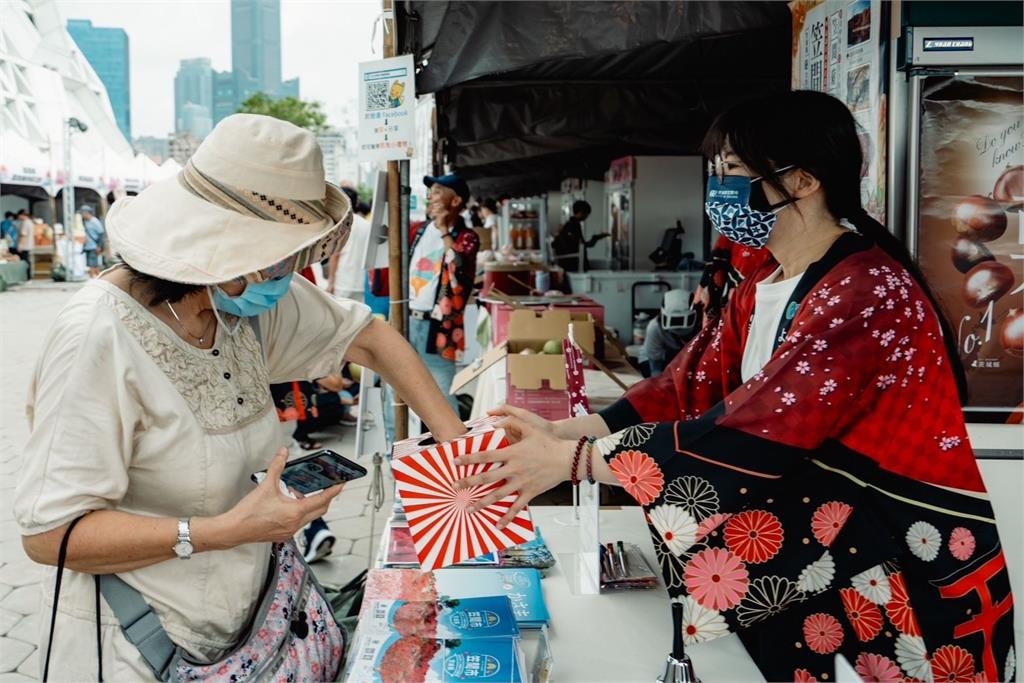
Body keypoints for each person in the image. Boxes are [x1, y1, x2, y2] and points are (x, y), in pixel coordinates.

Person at [454, 91, 1016, 682]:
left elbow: (756, 429)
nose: (718, 187)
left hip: (897, 559)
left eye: (734, 171)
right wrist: (569, 431)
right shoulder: (763, 283)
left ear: (801, 181)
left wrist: (577, 460)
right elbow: (688, 386)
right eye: (716, 171)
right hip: (826, 557)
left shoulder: (867, 291)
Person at [14, 114, 466, 680]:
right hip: (137, 647)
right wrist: (229, 530)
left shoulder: (240, 304)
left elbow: (368, 337)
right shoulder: (97, 338)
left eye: (295, 259)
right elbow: (51, 536)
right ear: (216, 246)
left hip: (248, 630)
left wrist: (458, 447)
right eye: (278, 261)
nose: (290, 277)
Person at [407, 173, 480, 413]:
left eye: (438, 191)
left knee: (440, 396)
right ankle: (394, 449)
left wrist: (444, 230)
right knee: (397, 390)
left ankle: (452, 449)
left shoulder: (466, 237)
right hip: (408, 319)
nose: (431, 197)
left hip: (439, 328)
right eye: (431, 192)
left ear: (456, 201)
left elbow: (458, 267)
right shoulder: (419, 230)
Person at [326, 186, 371, 302]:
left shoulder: (340, 225)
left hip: (343, 282)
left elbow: (335, 255)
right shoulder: (367, 225)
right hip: (362, 283)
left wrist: (331, 282)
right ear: (357, 203)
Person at [643, 288, 699, 377]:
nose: (679, 327)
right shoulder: (655, 328)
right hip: (661, 359)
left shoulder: (704, 324)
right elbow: (655, 367)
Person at [551, 200, 609, 274]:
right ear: (581, 212)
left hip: (574, 263)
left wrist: (596, 238)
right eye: (587, 214)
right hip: (573, 265)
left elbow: (582, 244)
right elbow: (580, 245)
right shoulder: (572, 226)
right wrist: (595, 238)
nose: (587, 216)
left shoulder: (572, 224)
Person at [80, 204, 106, 278]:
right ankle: (97, 278)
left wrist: (99, 246)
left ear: (87, 213)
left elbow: (101, 234)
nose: (81, 215)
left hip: (94, 246)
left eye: (82, 213)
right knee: (91, 264)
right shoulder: (85, 221)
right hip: (88, 246)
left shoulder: (94, 221)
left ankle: (94, 278)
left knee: (93, 263)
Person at [15, 209, 34, 278]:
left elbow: (23, 235)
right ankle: (28, 276)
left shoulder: (25, 223)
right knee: (27, 261)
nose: (19, 217)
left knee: (24, 262)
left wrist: (20, 245)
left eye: (19, 216)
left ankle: (26, 277)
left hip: (24, 246)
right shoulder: (30, 222)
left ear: (22, 215)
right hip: (29, 245)